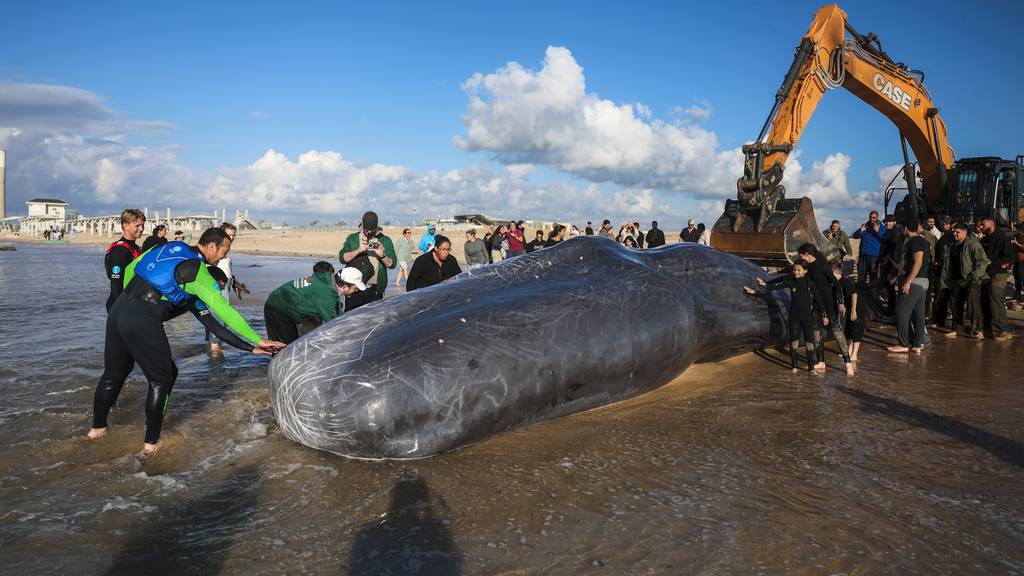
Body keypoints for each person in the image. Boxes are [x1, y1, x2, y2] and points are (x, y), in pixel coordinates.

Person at [88, 227, 284, 457]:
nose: (223, 257)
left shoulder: (168, 247)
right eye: (224, 251)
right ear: (212, 246)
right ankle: (151, 444)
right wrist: (258, 338)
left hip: (118, 311)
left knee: (114, 374)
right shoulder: (197, 271)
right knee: (163, 379)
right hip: (142, 317)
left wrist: (250, 348)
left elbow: (132, 269)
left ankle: (97, 430)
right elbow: (225, 312)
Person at [744, 260, 821, 373]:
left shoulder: (809, 283)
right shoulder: (791, 281)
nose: (796, 272)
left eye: (799, 270)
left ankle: (811, 368)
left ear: (805, 271)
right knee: (793, 340)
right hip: (794, 316)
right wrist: (756, 291)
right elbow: (775, 287)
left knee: (809, 341)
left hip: (807, 317)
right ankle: (794, 366)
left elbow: (818, 298)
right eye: (794, 270)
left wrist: (824, 314)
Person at [264, 262, 363, 344]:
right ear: (345, 286)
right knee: (286, 345)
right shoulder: (326, 294)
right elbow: (333, 324)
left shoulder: (329, 278)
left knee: (294, 341)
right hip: (278, 308)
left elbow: (337, 315)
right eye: (355, 288)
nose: (357, 291)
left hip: (283, 302)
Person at [796, 243, 854, 375]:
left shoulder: (823, 265)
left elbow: (837, 284)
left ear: (807, 254)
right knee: (817, 335)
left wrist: (840, 302)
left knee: (838, 333)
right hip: (817, 305)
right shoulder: (806, 268)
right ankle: (821, 362)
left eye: (800, 255)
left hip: (830, 304)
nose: (799, 258)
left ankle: (848, 363)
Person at [887, 215, 930, 353]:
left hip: (915, 282)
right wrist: (898, 277)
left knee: (901, 312)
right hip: (923, 281)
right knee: (918, 314)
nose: (900, 230)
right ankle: (918, 344)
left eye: (901, 228)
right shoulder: (924, 241)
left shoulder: (914, 241)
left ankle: (903, 344)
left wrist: (907, 282)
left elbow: (918, 263)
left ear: (905, 228)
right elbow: (912, 264)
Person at [940, 223, 990, 339]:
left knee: (973, 306)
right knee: (955, 305)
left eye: (957, 232)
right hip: (956, 280)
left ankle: (978, 330)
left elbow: (983, 261)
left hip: (972, 280)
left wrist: (974, 275)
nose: (954, 234)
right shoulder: (952, 245)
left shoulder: (973, 244)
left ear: (965, 232)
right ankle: (958, 328)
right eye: (953, 231)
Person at [340, 211, 397, 310]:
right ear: (362, 226)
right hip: (353, 289)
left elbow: (392, 264)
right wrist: (358, 250)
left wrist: (382, 256)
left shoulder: (385, 240)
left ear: (377, 227)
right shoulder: (352, 238)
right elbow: (342, 258)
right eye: (367, 230)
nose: (370, 232)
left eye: (373, 229)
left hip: (375, 290)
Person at [104, 208, 146, 312]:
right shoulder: (120, 251)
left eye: (142, 225)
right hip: (119, 306)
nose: (141, 229)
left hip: (134, 301)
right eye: (137, 226)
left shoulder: (136, 249)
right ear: (125, 225)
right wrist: (125, 309)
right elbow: (116, 285)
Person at [980, 217, 1014, 340]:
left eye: (983, 225)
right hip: (986, 273)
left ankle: (1003, 330)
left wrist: (994, 263)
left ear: (991, 224)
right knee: (984, 298)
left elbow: (1010, 257)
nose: (980, 227)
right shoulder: (984, 240)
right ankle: (989, 328)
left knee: (995, 297)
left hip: (999, 272)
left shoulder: (1002, 238)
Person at [851, 210, 886, 284]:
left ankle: (872, 294)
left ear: (877, 217)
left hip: (874, 257)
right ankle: (861, 293)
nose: (871, 219)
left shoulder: (881, 227)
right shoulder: (866, 225)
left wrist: (877, 231)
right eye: (870, 217)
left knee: (873, 277)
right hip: (863, 256)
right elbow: (855, 236)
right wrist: (861, 230)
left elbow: (884, 239)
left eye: (873, 218)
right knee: (861, 277)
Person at [1012, 222, 1024, 309]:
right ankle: (1017, 294)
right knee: (1017, 278)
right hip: (1016, 260)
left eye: (1019, 229)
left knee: (1022, 277)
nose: (1018, 230)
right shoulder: (1017, 236)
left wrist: (1017, 244)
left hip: (1022, 260)